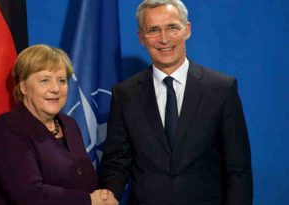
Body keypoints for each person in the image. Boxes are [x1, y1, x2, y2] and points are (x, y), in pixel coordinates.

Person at [99, 0, 253, 205]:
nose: (164, 39)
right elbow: (117, 162)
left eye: (172, 27)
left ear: (187, 30)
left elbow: (238, 170)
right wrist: (109, 194)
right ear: (141, 37)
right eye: (153, 30)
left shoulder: (221, 89)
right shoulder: (124, 94)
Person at [0, 44, 118, 205]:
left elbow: (85, 181)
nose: (56, 88)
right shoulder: (9, 127)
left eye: (62, 80)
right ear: (23, 87)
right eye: (44, 80)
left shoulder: (69, 125)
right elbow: (29, 195)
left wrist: (103, 197)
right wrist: (89, 200)